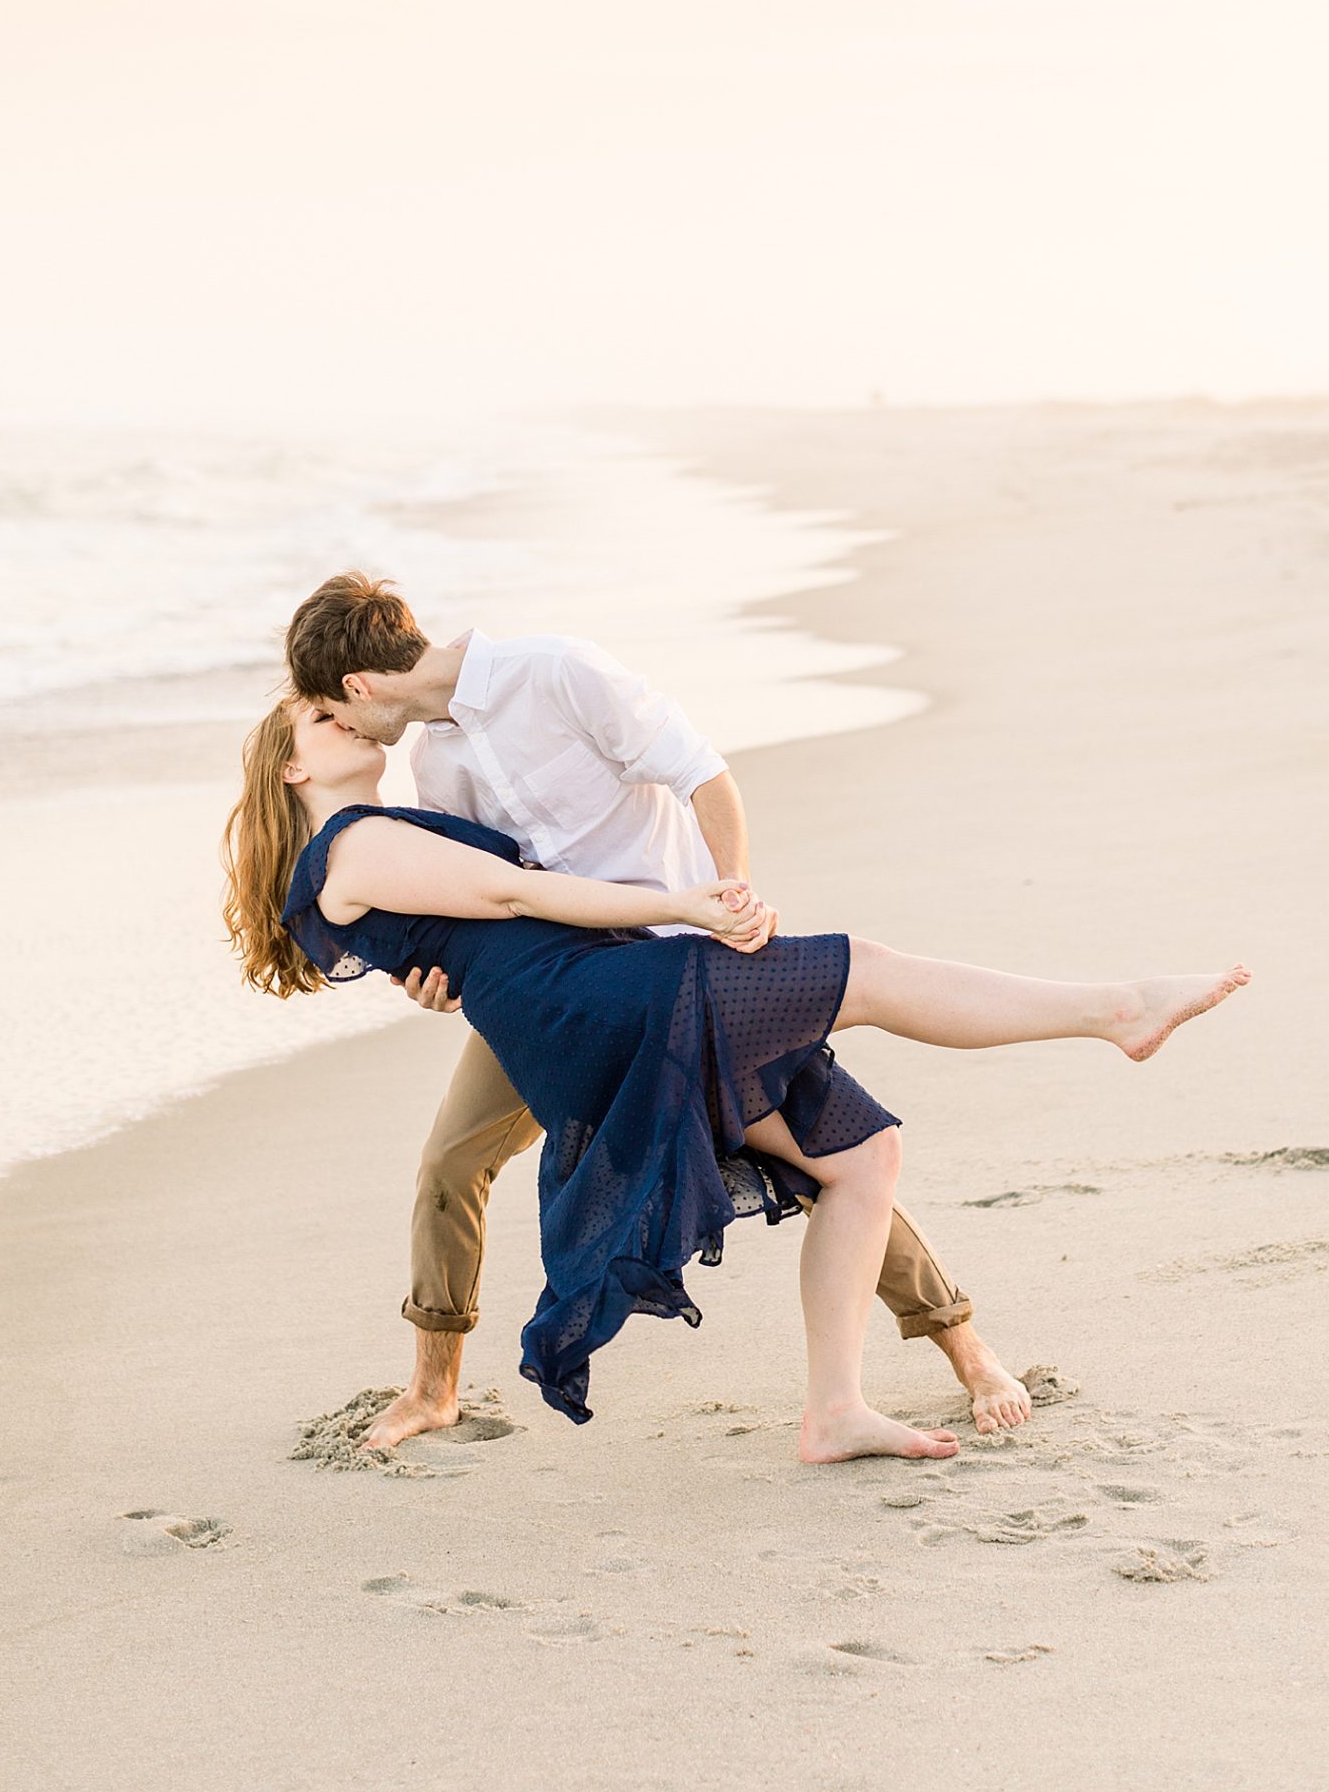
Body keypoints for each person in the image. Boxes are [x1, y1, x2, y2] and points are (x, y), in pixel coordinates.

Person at [222, 697, 1250, 1463]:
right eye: (315, 715)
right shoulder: (355, 843)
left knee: (856, 1154)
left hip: (591, 996)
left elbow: (453, 931)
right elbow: (509, 893)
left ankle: (841, 1408)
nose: (340, 714)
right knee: (864, 973)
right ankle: (1115, 1011)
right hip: (605, 1002)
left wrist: (440, 967)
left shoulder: (386, 827)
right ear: (289, 767)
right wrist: (688, 903)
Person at [281, 571, 1030, 1451]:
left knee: (815, 1146)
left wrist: (732, 900)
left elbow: (700, 773)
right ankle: (432, 1389)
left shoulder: (555, 671)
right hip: (555, 1000)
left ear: (357, 685)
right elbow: (484, 903)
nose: (340, 725)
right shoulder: (433, 767)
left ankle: (966, 1349)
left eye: (331, 709)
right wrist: (431, 979)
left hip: (675, 966)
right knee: (451, 1161)